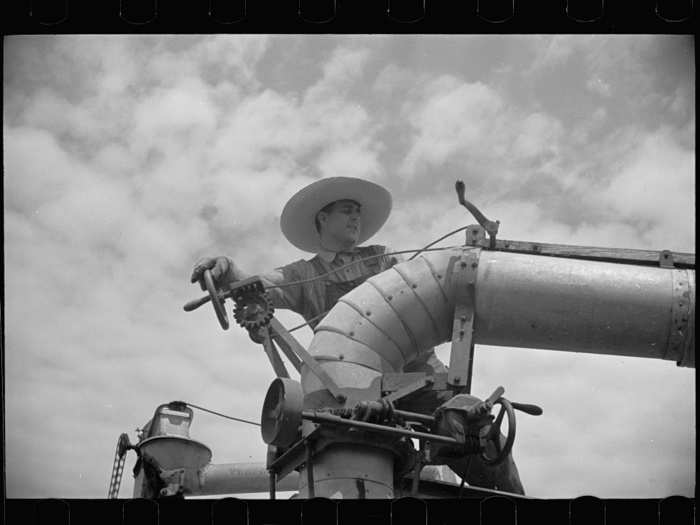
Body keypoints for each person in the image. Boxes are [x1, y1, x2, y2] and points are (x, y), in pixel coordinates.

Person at [190, 176, 524, 494]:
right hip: (350, 392)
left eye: (358, 212)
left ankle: (511, 500)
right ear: (323, 218)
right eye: (347, 211)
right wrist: (229, 270)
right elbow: (263, 286)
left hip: (419, 382)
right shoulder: (305, 275)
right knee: (352, 459)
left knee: (473, 429)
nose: (356, 218)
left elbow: (434, 286)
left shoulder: (385, 258)